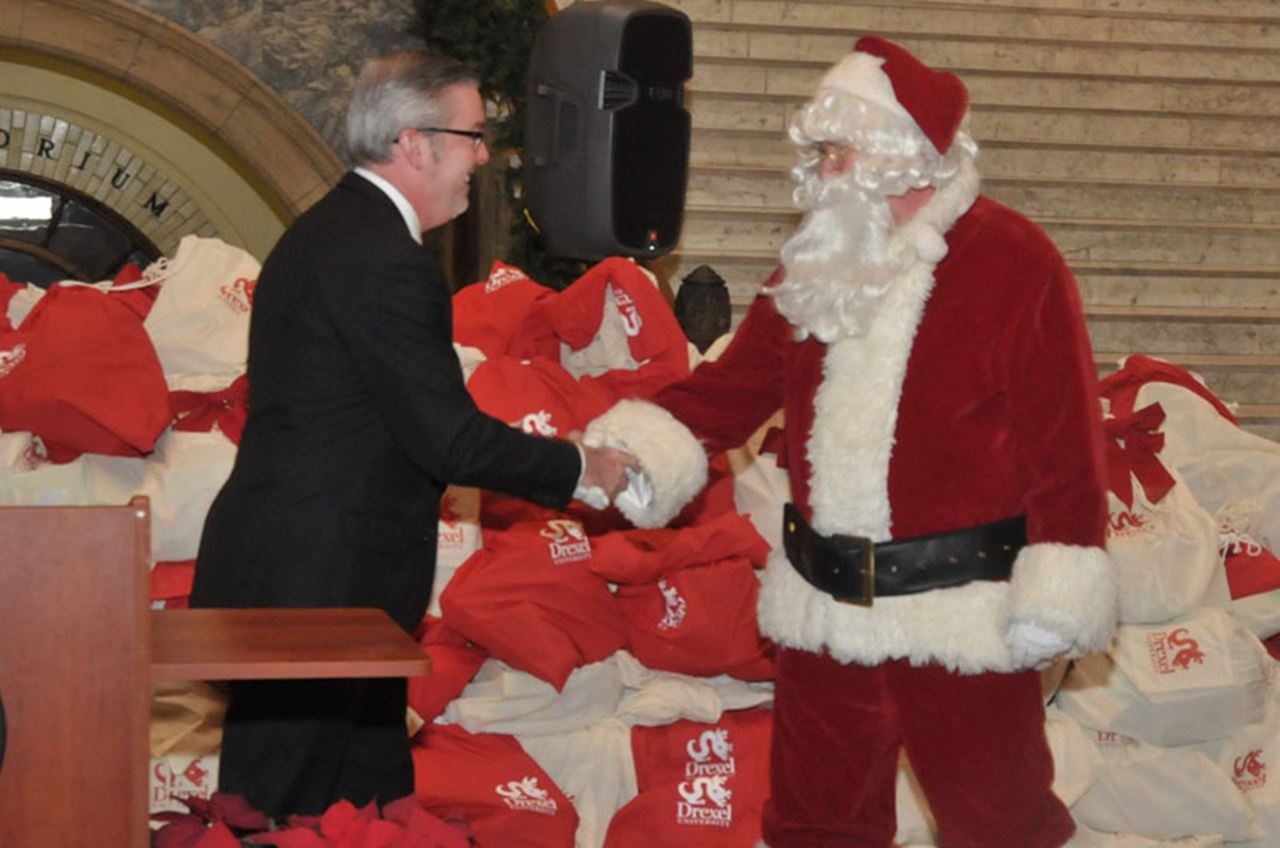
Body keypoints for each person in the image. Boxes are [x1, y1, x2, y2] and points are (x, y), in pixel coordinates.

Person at [584, 37, 1117, 847]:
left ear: (902, 155)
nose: (824, 170)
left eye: (840, 149)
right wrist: (632, 448)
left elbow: (1065, 443)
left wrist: (1062, 577)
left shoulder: (1014, 260)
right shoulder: (815, 264)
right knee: (814, 826)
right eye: (822, 151)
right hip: (824, 615)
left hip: (961, 620)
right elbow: (732, 390)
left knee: (1000, 825)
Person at [190, 50, 636, 818]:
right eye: (471, 135)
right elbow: (447, 440)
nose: (483, 156)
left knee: (362, 815)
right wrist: (583, 466)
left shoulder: (335, 232)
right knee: (277, 818)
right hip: (317, 593)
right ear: (413, 142)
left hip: (321, 586)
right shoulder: (383, 258)